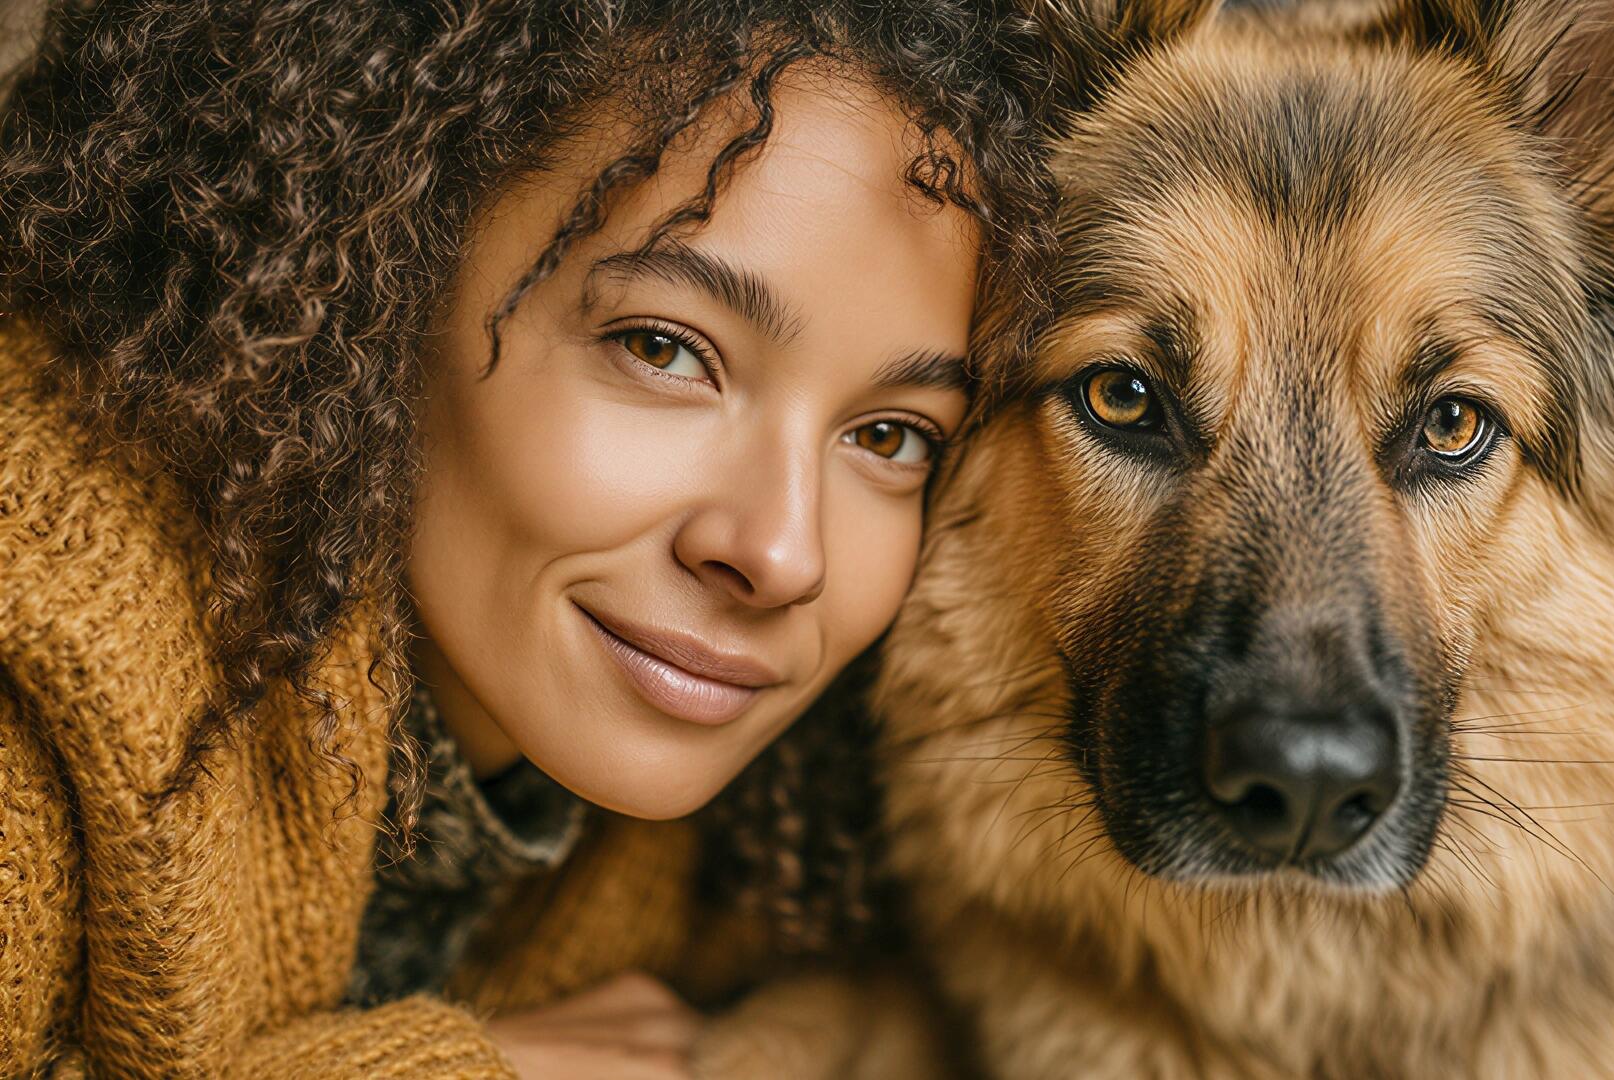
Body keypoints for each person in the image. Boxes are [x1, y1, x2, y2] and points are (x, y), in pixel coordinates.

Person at [0, 1, 1053, 1075]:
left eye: (890, 436)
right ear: (384, 263)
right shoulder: (42, 632)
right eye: (664, 349)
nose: (785, 554)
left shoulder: (763, 862)